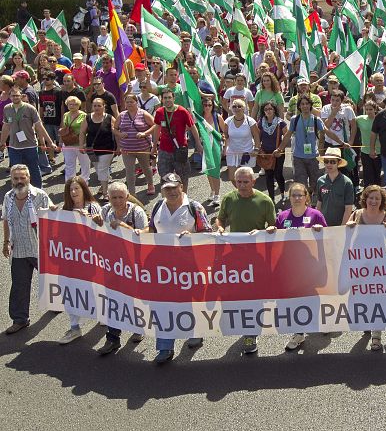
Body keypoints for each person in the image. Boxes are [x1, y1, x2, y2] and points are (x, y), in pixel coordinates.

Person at [131, 175, 211, 363]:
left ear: (181, 187)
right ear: (162, 190)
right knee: (163, 305)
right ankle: (165, 348)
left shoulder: (195, 208)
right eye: (168, 189)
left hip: (188, 266)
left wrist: (191, 236)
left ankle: (196, 332)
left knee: (191, 301)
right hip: (162, 266)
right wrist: (138, 232)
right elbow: (151, 229)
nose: (172, 192)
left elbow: (208, 233)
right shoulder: (159, 206)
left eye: (175, 188)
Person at [215, 166, 276, 354]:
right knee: (238, 295)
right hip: (235, 257)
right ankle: (243, 326)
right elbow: (220, 219)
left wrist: (265, 232)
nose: (241, 186)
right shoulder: (228, 199)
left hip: (256, 258)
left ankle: (251, 333)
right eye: (238, 182)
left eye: (245, 182)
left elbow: (273, 227)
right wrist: (220, 228)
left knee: (254, 297)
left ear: (254, 181)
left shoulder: (265, 201)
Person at [2, 164, 55, 334]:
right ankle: (20, 320)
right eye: (15, 178)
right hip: (19, 250)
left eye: (22, 178)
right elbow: (5, 220)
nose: (19, 181)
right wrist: (6, 242)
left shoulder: (40, 196)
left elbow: (53, 220)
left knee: (52, 279)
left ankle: (57, 304)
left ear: (29, 178)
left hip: (39, 248)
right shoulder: (8, 197)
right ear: (11, 179)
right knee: (19, 286)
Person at [276, 182, 326, 352]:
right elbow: (275, 241)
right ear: (289, 198)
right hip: (290, 268)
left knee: (313, 298)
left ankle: (322, 322)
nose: (297, 198)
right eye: (293, 195)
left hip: (310, 267)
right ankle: (299, 333)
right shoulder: (282, 217)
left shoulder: (316, 215)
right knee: (295, 302)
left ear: (307, 197)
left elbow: (329, 238)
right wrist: (268, 231)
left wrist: (321, 231)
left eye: (300, 195)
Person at [55, 176, 103, 344]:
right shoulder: (64, 209)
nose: (74, 192)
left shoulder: (93, 207)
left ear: (84, 190)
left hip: (89, 259)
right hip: (70, 259)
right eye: (71, 189)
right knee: (70, 291)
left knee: (93, 290)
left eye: (77, 188)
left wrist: (88, 218)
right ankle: (75, 327)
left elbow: (100, 233)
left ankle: (102, 315)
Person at [274, 95, 341, 193]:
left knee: (314, 184)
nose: (305, 106)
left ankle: (312, 200)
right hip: (298, 157)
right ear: (299, 106)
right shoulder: (294, 119)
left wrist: (341, 142)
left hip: (313, 157)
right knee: (301, 185)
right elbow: (288, 135)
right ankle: (305, 204)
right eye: (302, 104)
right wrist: (279, 149)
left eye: (307, 104)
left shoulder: (316, 120)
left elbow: (327, 132)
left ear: (310, 105)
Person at [1, 87, 55, 189]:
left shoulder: (30, 109)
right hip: (14, 147)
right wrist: (2, 142)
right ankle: (19, 193)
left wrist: (49, 142)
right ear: (9, 96)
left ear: (21, 96)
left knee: (34, 170)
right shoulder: (7, 108)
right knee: (16, 172)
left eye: (17, 95)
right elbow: (6, 126)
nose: (15, 97)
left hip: (30, 146)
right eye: (13, 96)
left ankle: (39, 191)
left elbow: (39, 127)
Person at [152, 88, 202, 187]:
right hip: (164, 150)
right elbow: (157, 129)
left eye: (169, 97)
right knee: (164, 177)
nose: (167, 100)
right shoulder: (159, 112)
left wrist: (198, 144)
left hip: (180, 149)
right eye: (165, 98)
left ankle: (184, 198)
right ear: (162, 100)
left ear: (174, 98)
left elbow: (193, 128)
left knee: (183, 177)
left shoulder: (182, 111)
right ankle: (166, 200)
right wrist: (154, 146)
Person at [115, 94, 156, 196]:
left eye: (131, 102)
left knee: (146, 168)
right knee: (129, 171)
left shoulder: (143, 114)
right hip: (127, 149)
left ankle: (150, 184)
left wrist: (144, 133)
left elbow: (155, 125)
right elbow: (114, 129)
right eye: (127, 102)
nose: (129, 104)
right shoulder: (121, 115)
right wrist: (120, 134)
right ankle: (132, 193)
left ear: (136, 102)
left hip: (142, 148)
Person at [78, 98, 116, 200]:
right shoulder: (87, 118)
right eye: (95, 105)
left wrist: (119, 146)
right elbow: (82, 132)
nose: (97, 108)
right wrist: (81, 145)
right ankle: (105, 184)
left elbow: (116, 131)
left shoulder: (109, 118)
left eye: (99, 105)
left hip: (107, 148)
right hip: (91, 149)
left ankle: (105, 193)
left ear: (104, 107)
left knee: (102, 169)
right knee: (99, 169)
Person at [314, 147, 356, 227]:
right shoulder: (320, 180)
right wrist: (318, 222)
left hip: (339, 226)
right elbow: (319, 203)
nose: (329, 164)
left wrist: (342, 227)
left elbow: (348, 208)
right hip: (323, 225)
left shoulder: (347, 182)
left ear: (338, 163)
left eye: (332, 162)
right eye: (326, 161)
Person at [224, 99, 259, 182]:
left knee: (246, 179)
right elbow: (225, 135)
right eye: (234, 106)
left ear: (244, 108)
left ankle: (246, 193)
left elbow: (256, 136)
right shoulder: (228, 121)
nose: (236, 108)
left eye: (239, 106)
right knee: (232, 178)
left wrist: (256, 149)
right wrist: (223, 138)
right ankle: (242, 192)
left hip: (247, 153)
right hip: (232, 152)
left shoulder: (250, 121)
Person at [257, 102, 286, 202]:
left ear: (274, 110)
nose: (268, 111)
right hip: (266, 154)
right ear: (263, 111)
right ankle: (271, 199)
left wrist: (280, 150)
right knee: (269, 176)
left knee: (278, 174)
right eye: (266, 109)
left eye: (270, 109)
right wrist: (259, 150)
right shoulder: (261, 122)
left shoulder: (281, 122)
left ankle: (282, 192)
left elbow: (286, 138)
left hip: (278, 153)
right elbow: (258, 138)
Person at [59, 95, 91, 181]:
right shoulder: (66, 115)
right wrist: (60, 142)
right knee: (69, 165)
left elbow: (87, 130)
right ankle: (69, 183)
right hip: (68, 143)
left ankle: (85, 183)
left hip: (81, 143)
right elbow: (63, 129)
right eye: (70, 104)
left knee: (84, 165)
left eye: (74, 104)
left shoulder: (84, 115)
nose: (72, 106)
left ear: (78, 105)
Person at [356, 99, 382, 187]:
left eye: (370, 109)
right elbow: (350, 121)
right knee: (367, 175)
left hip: (379, 151)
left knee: (377, 175)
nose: (368, 111)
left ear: (375, 109)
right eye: (366, 109)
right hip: (365, 151)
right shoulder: (360, 119)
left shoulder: (380, 119)